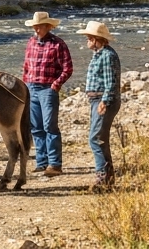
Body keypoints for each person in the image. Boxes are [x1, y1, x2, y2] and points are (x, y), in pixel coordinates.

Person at [21, 11, 72, 177]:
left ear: (48, 26)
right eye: (35, 26)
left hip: (47, 88)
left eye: (39, 26)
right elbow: (26, 66)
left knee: (50, 125)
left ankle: (55, 164)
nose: (36, 29)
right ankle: (41, 162)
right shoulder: (31, 42)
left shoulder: (58, 44)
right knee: (36, 127)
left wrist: (56, 85)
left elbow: (67, 68)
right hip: (31, 87)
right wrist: (24, 85)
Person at [77, 20, 120, 189]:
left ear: (97, 40)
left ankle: (102, 176)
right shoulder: (100, 54)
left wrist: (104, 101)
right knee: (101, 138)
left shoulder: (107, 56)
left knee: (95, 138)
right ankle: (108, 176)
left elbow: (111, 82)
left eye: (89, 38)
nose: (87, 41)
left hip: (103, 100)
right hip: (97, 100)